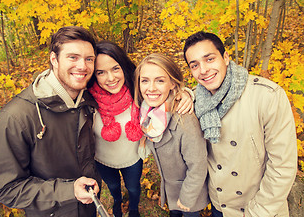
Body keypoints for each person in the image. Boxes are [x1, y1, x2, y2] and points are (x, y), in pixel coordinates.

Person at [183, 31, 297, 217]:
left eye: (209, 59)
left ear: (226, 57)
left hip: (259, 208)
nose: (203, 70)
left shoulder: (267, 96)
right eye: (194, 65)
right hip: (220, 206)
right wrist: (185, 92)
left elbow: (282, 166)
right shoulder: (197, 100)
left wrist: (258, 212)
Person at [0, 26, 101, 217]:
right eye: (73, 57)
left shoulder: (87, 101)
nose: (83, 66)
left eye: (89, 59)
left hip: (88, 207)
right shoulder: (16, 118)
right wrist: (69, 191)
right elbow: (5, 187)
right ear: (54, 59)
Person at [88, 41, 194, 217]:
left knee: (133, 187)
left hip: (132, 159)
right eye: (101, 72)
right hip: (103, 160)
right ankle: (117, 201)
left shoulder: (137, 92)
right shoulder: (89, 101)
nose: (111, 78)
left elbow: (164, 91)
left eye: (115, 69)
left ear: (123, 67)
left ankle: (133, 208)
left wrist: (186, 93)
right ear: (94, 75)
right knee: (113, 186)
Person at [134, 53, 209, 217]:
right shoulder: (147, 112)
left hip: (189, 192)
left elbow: (198, 166)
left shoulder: (185, 121)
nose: (151, 88)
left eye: (160, 80)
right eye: (145, 80)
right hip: (171, 189)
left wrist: (187, 198)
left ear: (173, 84)